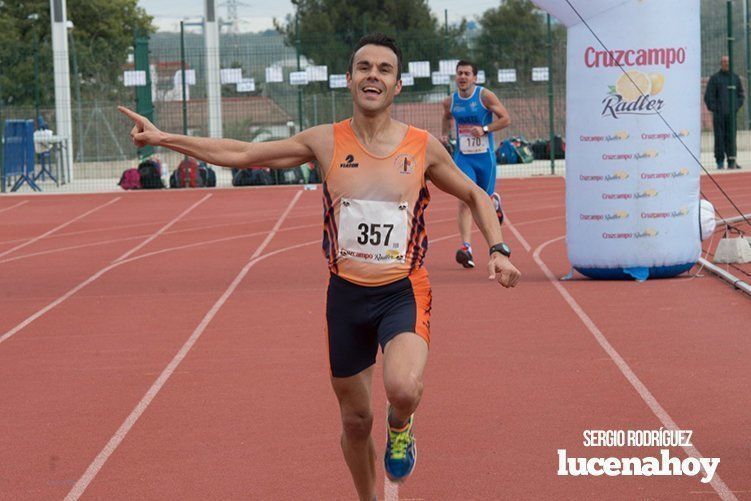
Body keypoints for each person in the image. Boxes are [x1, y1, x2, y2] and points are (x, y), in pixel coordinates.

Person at [120, 33, 520, 500]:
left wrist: (498, 248)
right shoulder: (324, 142)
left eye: (384, 69)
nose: (374, 75)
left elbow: (473, 193)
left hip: (402, 290)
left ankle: (402, 426)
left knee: (403, 388)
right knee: (354, 420)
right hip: (346, 297)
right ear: (349, 79)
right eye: (364, 67)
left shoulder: (422, 145)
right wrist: (164, 137)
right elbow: (243, 154)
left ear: (397, 85)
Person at [442, 60, 511, 268]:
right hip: (463, 158)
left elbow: (505, 119)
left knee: (484, 201)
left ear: (475, 77)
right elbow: (446, 117)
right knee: (465, 199)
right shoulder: (450, 101)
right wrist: (445, 135)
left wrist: (485, 129)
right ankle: (466, 247)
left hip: (484, 157)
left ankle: (494, 203)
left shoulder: (484, 96)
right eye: (459, 73)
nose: (462, 77)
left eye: (467, 73)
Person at [704, 55, 745, 169]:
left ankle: (732, 160)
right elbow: (708, 97)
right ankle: (720, 161)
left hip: (731, 115)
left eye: (727, 61)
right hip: (719, 115)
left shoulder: (735, 78)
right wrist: (715, 108)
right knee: (719, 138)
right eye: (723, 62)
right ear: (720, 63)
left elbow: (741, 96)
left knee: (731, 138)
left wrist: (735, 107)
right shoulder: (714, 78)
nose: (726, 64)